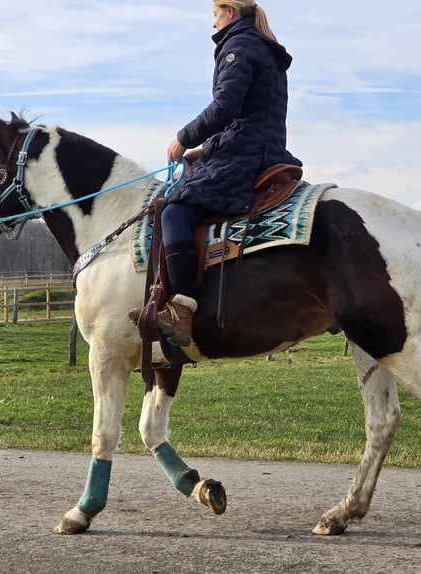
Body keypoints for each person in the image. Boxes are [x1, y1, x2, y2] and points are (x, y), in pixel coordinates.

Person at [154, 0, 302, 347]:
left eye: (215, 15)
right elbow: (250, 117)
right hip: (261, 147)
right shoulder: (262, 47)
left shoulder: (238, 46)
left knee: (174, 211)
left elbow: (226, 107)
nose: (214, 23)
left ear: (230, 13)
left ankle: (182, 310)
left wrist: (183, 138)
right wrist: (205, 150)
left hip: (245, 155)